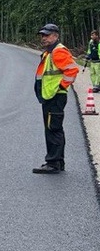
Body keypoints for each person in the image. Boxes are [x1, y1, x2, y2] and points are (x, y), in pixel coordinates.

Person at [33, 22, 79, 174]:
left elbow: (72, 70)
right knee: (53, 128)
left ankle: (53, 163)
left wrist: (61, 87)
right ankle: (57, 161)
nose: (43, 38)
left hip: (55, 96)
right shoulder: (49, 52)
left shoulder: (58, 51)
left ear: (56, 36)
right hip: (50, 96)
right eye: (42, 35)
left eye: (47, 35)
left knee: (53, 129)